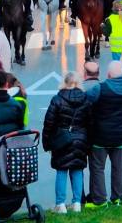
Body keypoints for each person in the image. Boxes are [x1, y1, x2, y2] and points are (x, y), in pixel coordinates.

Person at [85, 61, 122, 208]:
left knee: (97, 168)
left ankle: (99, 200)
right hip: (120, 135)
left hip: (100, 136)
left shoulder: (100, 88)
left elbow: (85, 100)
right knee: (118, 168)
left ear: (108, 74)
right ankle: (117, 197)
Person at [42, 71, 91, 214]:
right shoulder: (86, 99)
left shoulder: (57, 99)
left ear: (65, 82)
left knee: (61, 170)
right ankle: (76, 202)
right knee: (77, 170)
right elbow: (90, 122)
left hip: (62, 139)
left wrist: (47, 143)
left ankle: (60, 204)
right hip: (80, 138)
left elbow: (48, 124)